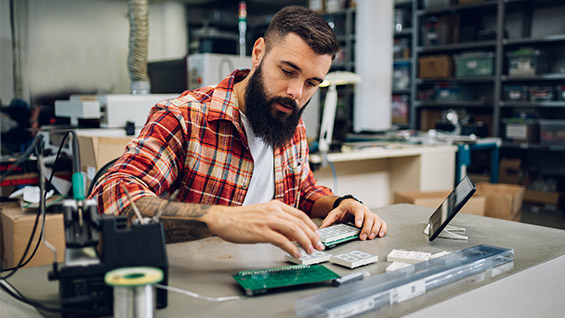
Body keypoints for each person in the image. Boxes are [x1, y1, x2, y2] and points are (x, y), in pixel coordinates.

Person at [89, 6, 387, 259]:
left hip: (264, 272)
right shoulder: (184, 117)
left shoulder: (287, 121)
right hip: (187, 282)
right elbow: (111, 199)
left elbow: (303, 191)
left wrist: (341, 204)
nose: (295, 92)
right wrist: (221, 218)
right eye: (287, 71)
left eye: (311, 83)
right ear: (258, 53)